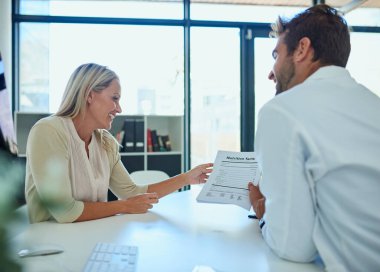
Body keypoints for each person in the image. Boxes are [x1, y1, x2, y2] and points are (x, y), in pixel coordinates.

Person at [248, 4, 380, 272]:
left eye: (277, 55)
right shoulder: (373, 104)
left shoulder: (282, 111)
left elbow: (293, 248)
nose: (271, 72)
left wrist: (264, 215)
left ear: (302, 49)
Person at [25, 63, 212, 224]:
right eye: (114, 98)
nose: (119, 109)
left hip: (90, 234)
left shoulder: (106, 143)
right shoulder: (49, 131)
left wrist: (187, 178)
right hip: (50, 244)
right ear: (89, 95)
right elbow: (65, 211)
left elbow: (131, 193)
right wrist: (124, 206)